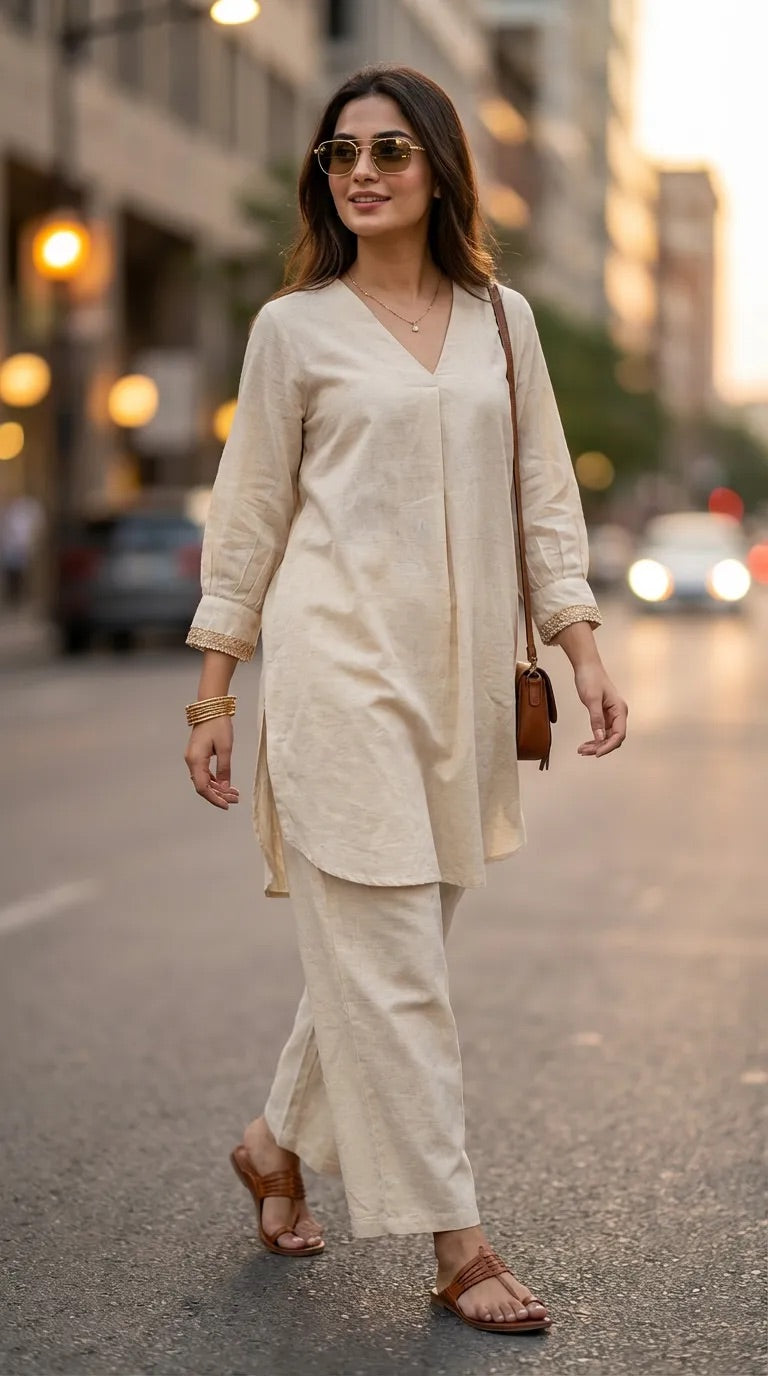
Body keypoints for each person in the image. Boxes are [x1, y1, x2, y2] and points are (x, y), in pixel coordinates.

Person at [184, 64, 627, 1335]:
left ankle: (275, 1142)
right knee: (397, 969)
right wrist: (213, 694)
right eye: (339, 155)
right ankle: (458, 1237)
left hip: (465, 683)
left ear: (438, 165)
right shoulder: (293, 329)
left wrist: (579, 642)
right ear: (323, 179)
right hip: (335, 676)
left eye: (388, 149)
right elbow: (251, 516)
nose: (362, 171)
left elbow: (546, 497)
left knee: (390, 954)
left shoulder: (504, 322)